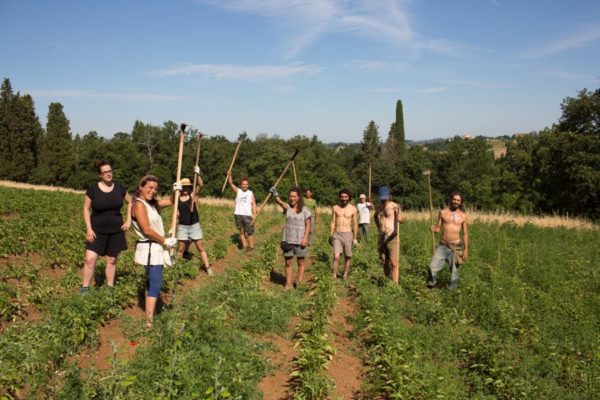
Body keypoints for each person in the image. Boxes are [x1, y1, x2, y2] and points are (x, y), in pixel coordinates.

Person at [131, 175, 180, 328]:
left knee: (152, 282)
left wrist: (176, 190)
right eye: (150, 187)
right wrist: (165, 240)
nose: (153, 191)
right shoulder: (139, 205)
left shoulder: (153, 204)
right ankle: (149, 322)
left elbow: (172, 201)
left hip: (156, 247)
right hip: (150, 249)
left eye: (155, 189)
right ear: (141, 186)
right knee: (156, 283)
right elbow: (146, 230)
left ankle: (149, 315)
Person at [81, 160, 132, 294]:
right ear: (100, 175)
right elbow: (86, 209)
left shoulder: (120, 187)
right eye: (105, 172)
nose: (109, 174)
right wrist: (89, 229)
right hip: (96, 230)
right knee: (90, 259)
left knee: (111, 260)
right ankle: (85, 288)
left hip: (116, 231)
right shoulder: (93, 188)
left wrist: (128, 221)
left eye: (110, 171)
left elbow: (131, 202)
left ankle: (109, 289)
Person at [270, 186, 311, 289]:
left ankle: (299, 282)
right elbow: (279, 201)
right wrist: (275, 193)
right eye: (291, 196)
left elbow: (308, 224)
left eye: (295, 196)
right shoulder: (287, 207)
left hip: (300, 240)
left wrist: (305, 238)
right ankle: (288, 283)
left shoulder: (305, 210)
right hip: (287, 240)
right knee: (288, 262)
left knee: (301, 261)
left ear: (299, 197)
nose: (292, 198)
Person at [427, 191, 469, 289]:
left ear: (461, 202)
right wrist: (433, 229)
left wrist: (466, 249)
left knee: (454, 273)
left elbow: (465, 233)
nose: (456, 202)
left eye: (458, 200)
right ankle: (432, 285)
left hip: (456, 247)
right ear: (451, 200)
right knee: (432, 267)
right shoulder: (443, 212)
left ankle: (451, 292)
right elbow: (438, 228)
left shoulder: (463, 216)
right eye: (454, 199)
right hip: (443, 245)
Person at [176, 171, 213, 276]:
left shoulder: (193, 195)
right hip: (183, 227)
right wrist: (174, 229)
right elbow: (177, 216)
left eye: (187, 187)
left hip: (194, 225)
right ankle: (176, 270)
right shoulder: (177, 200)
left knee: (200, 247)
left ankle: (208, 268)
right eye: (183, 187)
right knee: (180, 249)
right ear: (180, 188)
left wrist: (199, 174)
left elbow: (200, 185)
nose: (186, 189)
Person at [374, 186, 404, 284]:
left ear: (389, 196)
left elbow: (401, 219)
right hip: (382, 237)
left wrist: (400, 219)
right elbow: (375, 216)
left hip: (392, 237)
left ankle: (395, 284)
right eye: (381, 198)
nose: (383, 200)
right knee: (384, 260)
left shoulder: (394, 206)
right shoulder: (379, 207)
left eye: (384, 198)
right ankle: (388, 279)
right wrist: (379, 228)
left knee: (394, 263)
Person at [329, 189, 358, 280]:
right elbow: (333, 222)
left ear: (349, 197)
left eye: (346, 197)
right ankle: (334, 275)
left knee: (347, 256)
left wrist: (355, 238)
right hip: (337, 234)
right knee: (336, 256)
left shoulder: (353, 209)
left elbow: (355, 224)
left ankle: (345, 275)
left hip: (348, 234)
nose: (344, 198)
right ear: (339, 197)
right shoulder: (335, 208)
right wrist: (331, 234)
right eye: (342, 197)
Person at [228, 175, 256, 251]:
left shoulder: (250, 193)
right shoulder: (238, 191)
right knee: (241, 231)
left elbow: (253, 204)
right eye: (243, 184)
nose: (245, 186)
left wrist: (254, 214)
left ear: (248, 185)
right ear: (241, 185)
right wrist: (229, 175)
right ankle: (245, 246)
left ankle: (251, 247)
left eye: (246, 184)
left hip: (248, 215)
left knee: (249, 232)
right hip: (238, 214)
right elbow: (231, 183)